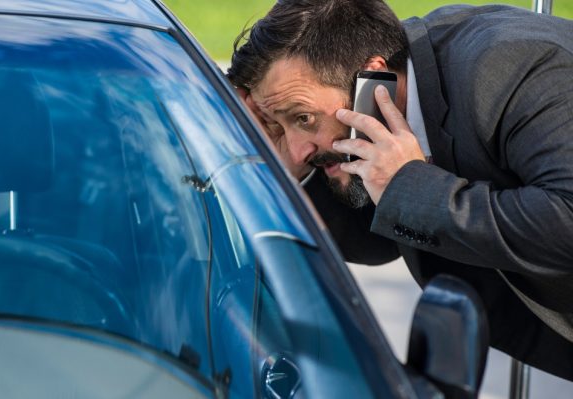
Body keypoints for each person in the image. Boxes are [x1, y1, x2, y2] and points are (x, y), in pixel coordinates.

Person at [227, 0, 573, 380]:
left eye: (303, 117)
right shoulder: (389, 95)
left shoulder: (511, 69)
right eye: (278, 123)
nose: (297, 150)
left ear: (373, 77)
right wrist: (286, 171)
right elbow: (378, 242)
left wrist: (409, 186)